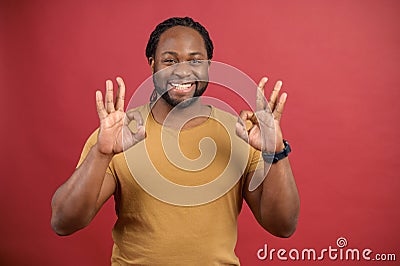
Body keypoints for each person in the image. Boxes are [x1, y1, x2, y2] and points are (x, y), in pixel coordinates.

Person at [51, 17, 300, 265]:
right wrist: (101, 153)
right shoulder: (118, 134)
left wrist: (275, 151)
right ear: (152, 65)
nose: (182, 70)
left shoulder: (243, 134)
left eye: (195, 60)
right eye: (169, 60)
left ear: (209, 66)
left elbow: (282, 226)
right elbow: (64, 222)